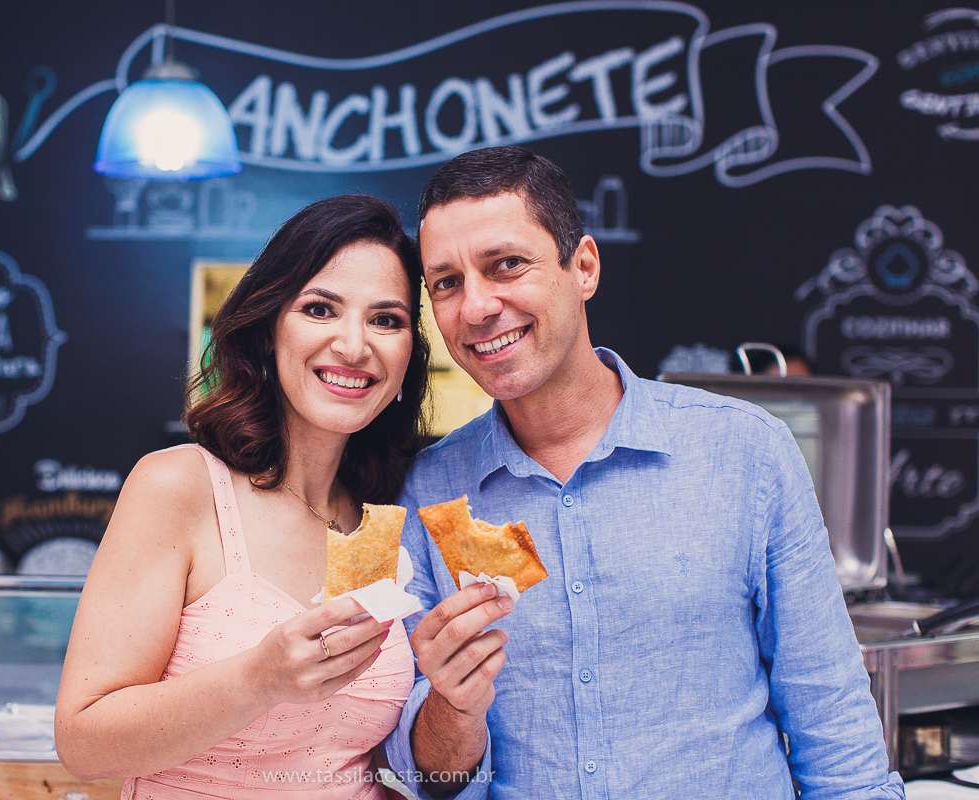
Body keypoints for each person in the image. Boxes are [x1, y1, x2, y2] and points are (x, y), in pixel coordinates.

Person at [383, 147, 905, 799]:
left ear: (584, 267)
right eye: (447, 283)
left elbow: (835, 731)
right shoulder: (427, 493)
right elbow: (421, 778)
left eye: (506, 265)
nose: (478, 306)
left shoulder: (745, 452)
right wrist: (452, 708)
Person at [55, 194, 431, 799]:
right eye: (320, 308)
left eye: (386, 319)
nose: (355, 345)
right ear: (268, 326)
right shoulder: (179, 487)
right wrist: (258, 678)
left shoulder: (386, 517)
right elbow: (84, 742)